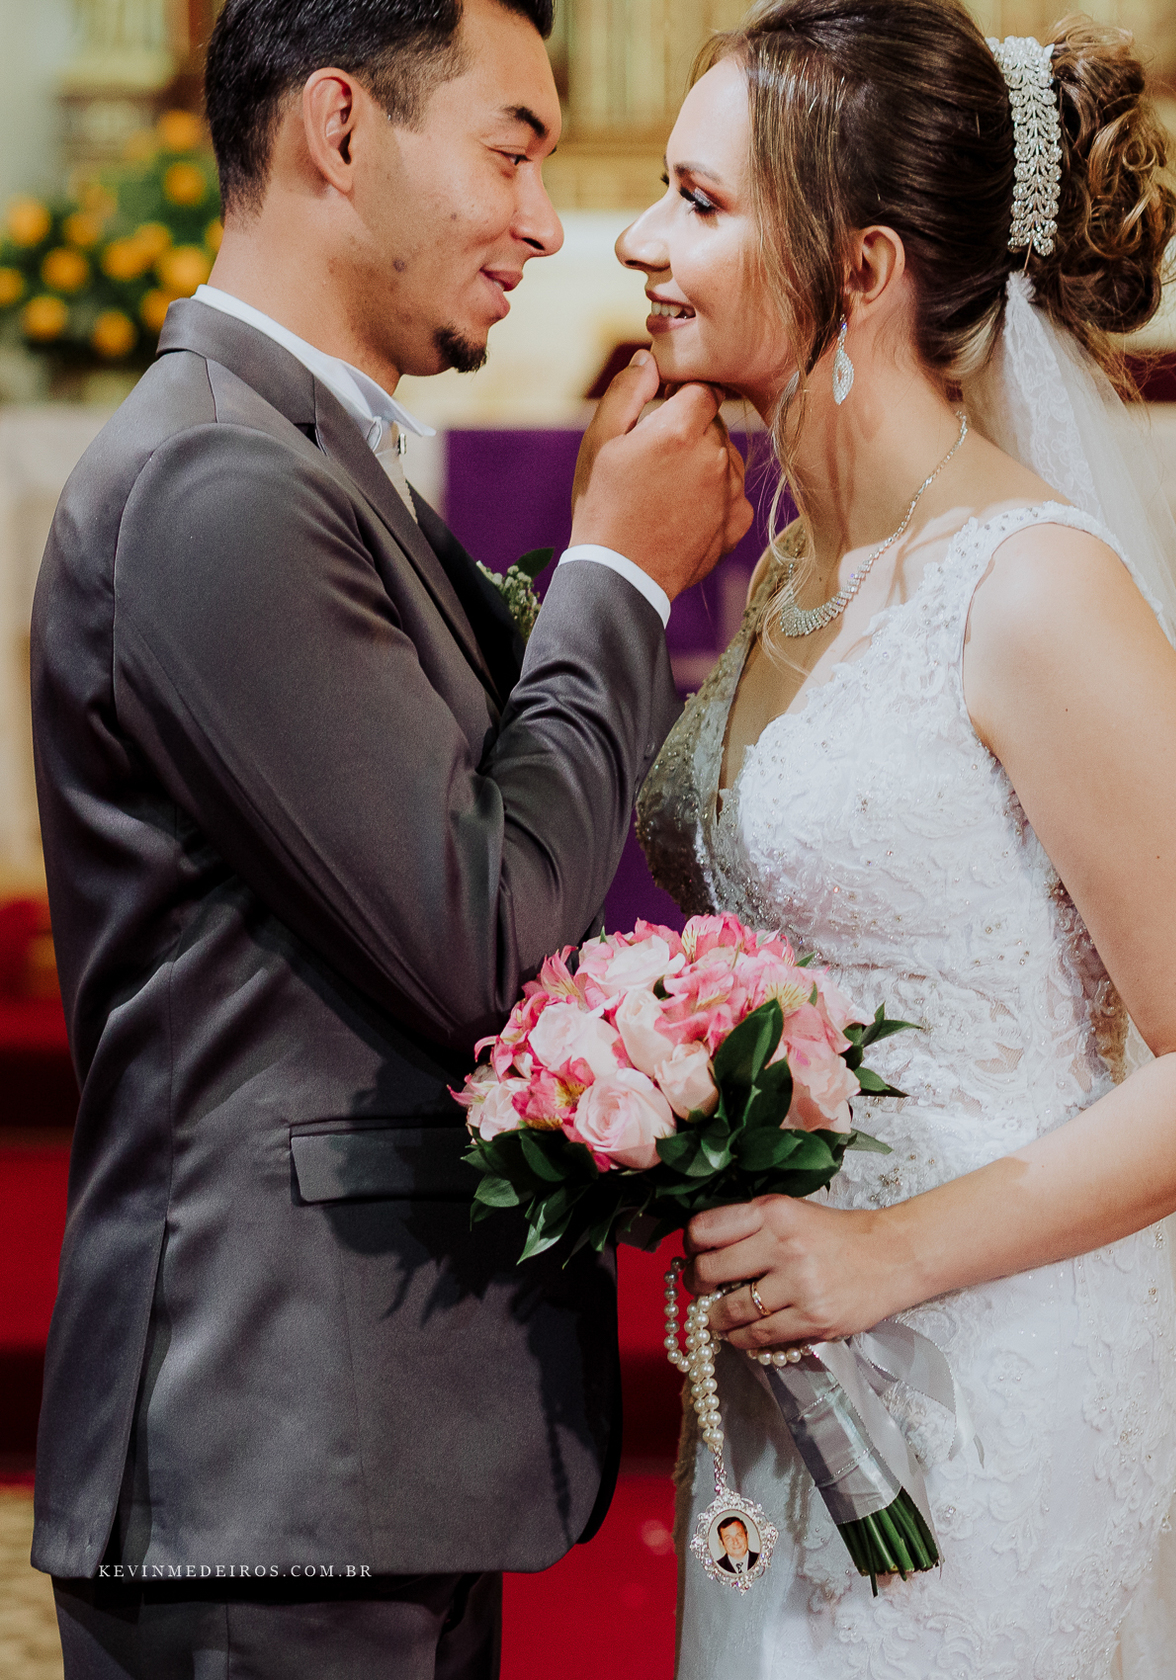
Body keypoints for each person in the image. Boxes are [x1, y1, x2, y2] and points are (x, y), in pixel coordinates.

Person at [30, 0, 752, 1674]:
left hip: (339, 1453)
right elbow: (478, 932)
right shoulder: (222, 485)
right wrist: (623, 576)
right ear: (339, 131)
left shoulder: (303, 457)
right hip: (274, 1448)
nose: (545, 223)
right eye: (512, 149)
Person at [624, 1, 1176, 1674]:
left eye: (701, 201)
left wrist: (885, 1252)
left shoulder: (1031, 585)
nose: (644, 248)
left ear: (860, 268)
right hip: (786, 1377)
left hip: (981, 1378)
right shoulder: (799, 566)